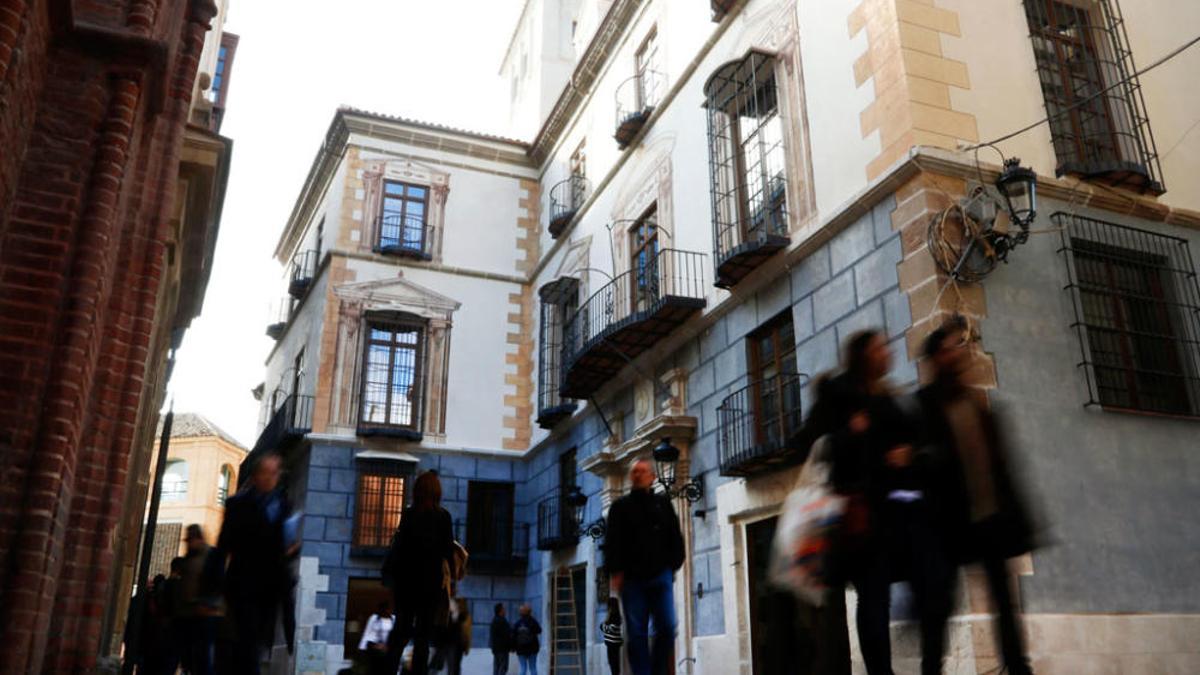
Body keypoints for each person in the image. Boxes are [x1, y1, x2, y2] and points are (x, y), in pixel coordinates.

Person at [798, 329, 953, 675]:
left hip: (902, 511)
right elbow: (809, 442)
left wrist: (910, 454)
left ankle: (932, 667)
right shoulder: (838, 393)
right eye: (880, 347)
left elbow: (917, 441)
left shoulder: (892, 396)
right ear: (863, 354)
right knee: (873, 598)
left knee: (934, 587)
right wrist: (849, 432)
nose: (887, 351)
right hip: (861, 517)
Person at [919, 318, 1036, 675]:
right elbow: (921, 463)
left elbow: (998, 466)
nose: (963, 351)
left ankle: (1018, 667)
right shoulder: (925, 405)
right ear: (939, 356)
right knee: (939, 607)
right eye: (955, 346)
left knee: (1004, 601)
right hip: (948, 524)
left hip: (989, 521)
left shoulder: (975, 403)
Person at [215, 451, 295, 674]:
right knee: (248, 642)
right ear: (256, 475)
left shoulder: (284, 505)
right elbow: (224, 544)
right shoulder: (237, 505)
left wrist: (290, 552)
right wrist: (214, 582)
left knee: (258, 642)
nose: (270, 477)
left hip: (271, 588)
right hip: (244, 585)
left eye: (274, 472)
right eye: (266, 472)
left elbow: (283, 546)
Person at [603, 459, 685, 675]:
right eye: (635, 472)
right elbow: (612, 543)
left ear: (652, 477)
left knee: (667, 627)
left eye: (643, 471)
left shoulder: (663, 503)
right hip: (632, 581)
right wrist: (615, 573)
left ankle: (657, 671)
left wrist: (673, 563)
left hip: (661, 576)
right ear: (631, 477)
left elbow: (675, 535)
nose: (638, 475)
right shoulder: (619, 508)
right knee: (637, 634)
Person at [384, 470, 456, 675]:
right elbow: (447, 552)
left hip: (405, 583)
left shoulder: (408, 515)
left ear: (417, 491)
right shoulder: (443, 517)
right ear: (436, 492)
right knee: (423, 636)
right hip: (430, 584)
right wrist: (451, 583)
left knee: (401, 632)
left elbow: (400, 549)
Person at [177, 524, 221, 675]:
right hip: (188, 615)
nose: (188, 543)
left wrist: (207, 604)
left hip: (206, 614)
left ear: (198, 539)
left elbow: (219, 584)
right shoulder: (188, 559)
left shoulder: (211, 555)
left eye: (190, 540)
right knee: (190, 658)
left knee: (203, 659)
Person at [358, 601, 395, 675]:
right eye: (383, 610)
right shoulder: (374, 618)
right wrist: (362, 647)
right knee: (375, 667)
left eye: (387, 609)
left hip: (389, 648)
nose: (386, 611)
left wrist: (388, 646)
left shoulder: (393, 619)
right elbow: (367, 632)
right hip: (375, 647)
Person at [443, 596, 471, 675]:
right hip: (452, 644)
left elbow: (466, 633)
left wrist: (466, 645)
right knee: (452, 667)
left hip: (456, 645)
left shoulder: (463, 617)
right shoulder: (451, 616)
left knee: (454, 667)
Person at [511, 605, 541, 675]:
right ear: (529, 612)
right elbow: (539, 630)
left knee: (523, 667)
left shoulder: (518, 623)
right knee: (533, 667)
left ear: (521, 613)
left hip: (521, 649)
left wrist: (512, 647)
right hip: (533, 648)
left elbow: (513, 635)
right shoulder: (533, 621)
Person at [601, 598, 624, 675]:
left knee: (614, 664)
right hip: (613, 644)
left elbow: (604, 627)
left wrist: (605, 621)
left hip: (612, 644)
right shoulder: (614, 616)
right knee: (614, 664)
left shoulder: (615, 617)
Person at [490, 603, 512, 675]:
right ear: (500, 611)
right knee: (503, 667)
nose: (505, 610)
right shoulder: (501, 621)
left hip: (496, 648)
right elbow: (507, 634)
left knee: (497, 667)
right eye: (503, 609)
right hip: (502, 649)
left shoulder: (494, 620)